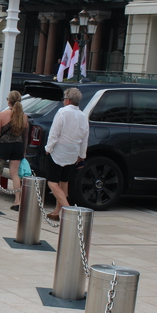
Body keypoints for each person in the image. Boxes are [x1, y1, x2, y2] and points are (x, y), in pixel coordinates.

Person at [45, 87, 89, 221]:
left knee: (52, 183)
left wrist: (48, 147)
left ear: (68, 100)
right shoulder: (83, 115)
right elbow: (84, 137)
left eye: (64, 99)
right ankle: (57, 212)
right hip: (73, 152)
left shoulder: (62, 112)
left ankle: (67, 208)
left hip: (59, 151)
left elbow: (54, 132)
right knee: (64, 182)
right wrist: (82, 155)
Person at [0, 91, 29, 210]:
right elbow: (25, 136)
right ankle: (17, 201)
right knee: (14, 174)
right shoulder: (24, 117)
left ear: (8, 100)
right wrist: (24, 150)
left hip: (4, 145)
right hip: (18, 146)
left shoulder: (3, 114)